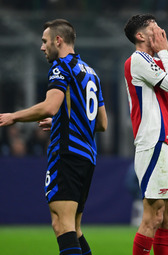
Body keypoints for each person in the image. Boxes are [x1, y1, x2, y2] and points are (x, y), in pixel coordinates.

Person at [0, 19, 107, 255]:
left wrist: (14, 117)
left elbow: (50, 106)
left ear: (58, 40)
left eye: (44, 41)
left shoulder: (61, 66)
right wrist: (62, 120)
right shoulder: (91, 73)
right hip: (87, 157)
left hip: (67, 154)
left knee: (62, 224)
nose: (42, 47)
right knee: (74, 228)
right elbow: (101, 123)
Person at [124, 14, 168, 255]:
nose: (162, 32)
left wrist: (167, 53)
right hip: (153, 141)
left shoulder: (157, 61)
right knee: (154, 215)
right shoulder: (138, 60)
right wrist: (164, 52)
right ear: (141, 36)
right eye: (155, 29)